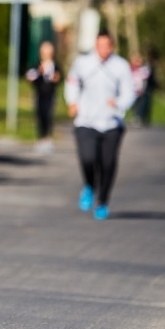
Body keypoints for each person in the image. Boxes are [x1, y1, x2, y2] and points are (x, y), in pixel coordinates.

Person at [64, 31, 135, 220]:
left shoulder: (120, 66)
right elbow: (72, 83)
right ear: (95, 45)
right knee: (88, 158)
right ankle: (89, 185)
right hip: (86, 120)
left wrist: (119, 103)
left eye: (107, 46)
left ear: (112, 46)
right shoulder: (83, 63)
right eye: (100, 45)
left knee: (108, 163)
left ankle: (102, 202)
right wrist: (73, 102)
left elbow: (129, 91)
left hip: (111, 123)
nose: (103, 50)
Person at [25, 40, 61, 153]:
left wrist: (56, 78)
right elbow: (30, 77)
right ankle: (41, 138)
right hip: (39, 94)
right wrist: (39, 73)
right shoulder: (37, 65)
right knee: (40, 115)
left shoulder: (55, 65)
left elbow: (60, 77)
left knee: (49, 115)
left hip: (51, 94)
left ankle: (48, 139)